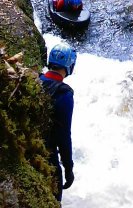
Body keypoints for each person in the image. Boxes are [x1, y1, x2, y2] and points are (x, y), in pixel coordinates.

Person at [40, 43, 77, 203]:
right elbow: (63, 135)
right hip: (48, 152)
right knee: (54, 198)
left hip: (29, 143)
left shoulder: (36, 79)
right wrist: (68, 168)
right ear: (70, 65)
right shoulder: (64, 94)